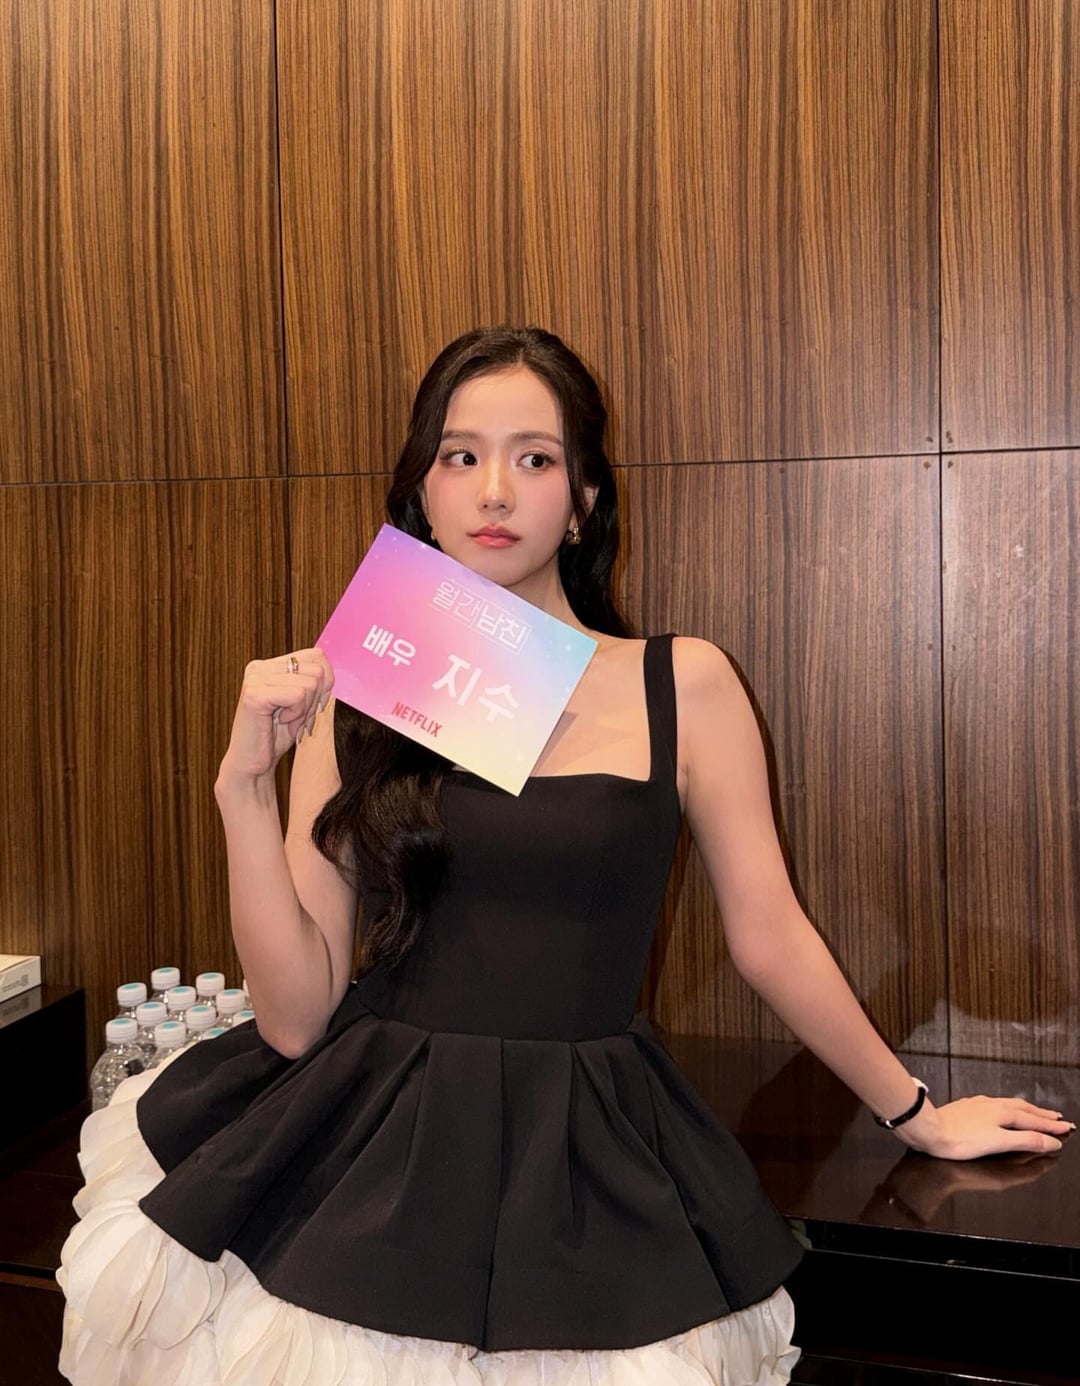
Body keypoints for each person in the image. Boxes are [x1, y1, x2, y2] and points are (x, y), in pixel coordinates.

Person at [58, 327, 1072, 1386]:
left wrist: (917, 1112)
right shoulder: (360, 685)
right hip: (374, 1138)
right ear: (422, 490)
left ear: (583, 499)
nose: (494, 490)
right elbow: (294, 1017)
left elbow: (770, 936)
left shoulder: (683, 682)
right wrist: (241, 787)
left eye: (534, 458)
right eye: (461, 455)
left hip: (590, 1141)